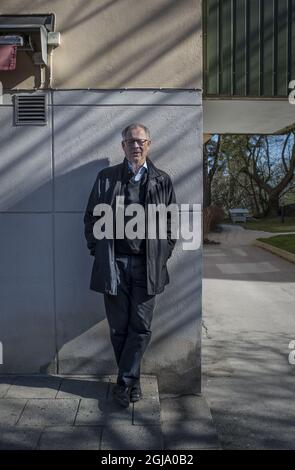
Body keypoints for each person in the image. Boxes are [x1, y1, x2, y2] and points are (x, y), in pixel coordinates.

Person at [84, 123, 177, 407]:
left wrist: (162, 255)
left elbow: (171, 225)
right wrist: (97, 251)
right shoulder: (106, 178)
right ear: (122, 146)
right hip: (114, 264)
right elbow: (91, 220)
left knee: (141, 326)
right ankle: (131, 382)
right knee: (118, 327)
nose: (136, 146)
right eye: (130, 141)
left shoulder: (162, 180)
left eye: (141, 141)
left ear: (149, 144)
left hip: (147, 266)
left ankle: (124, 383)